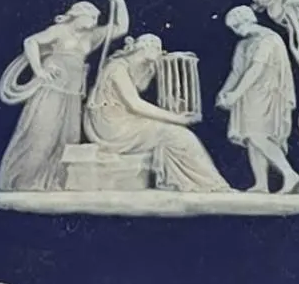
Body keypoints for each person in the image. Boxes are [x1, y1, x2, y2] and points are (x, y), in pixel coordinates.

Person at [0, 0, 129, 190]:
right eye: (91, 17)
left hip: (73, 92)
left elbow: (121, 27)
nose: (95, 22)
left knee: (68, 139)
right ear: (77, 15)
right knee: (43, 134)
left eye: (96, 19)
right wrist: (39, 69)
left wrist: (119, 1)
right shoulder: (59, 30)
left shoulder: (92, 36)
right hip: (53, 88)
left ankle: (51, 182)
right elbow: (31, 42)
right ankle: (23, 181)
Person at [85, 34, 230, 193]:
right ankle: (211, 184)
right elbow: (135, 104)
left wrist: (152, 69)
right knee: (178, 135)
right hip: (113, 126)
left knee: (176, 135)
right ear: (146, 47)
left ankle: (198, 182)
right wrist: (176, 119)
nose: (161, 53)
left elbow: (142, 87)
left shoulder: (136, 66)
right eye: (158, 49)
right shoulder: (116, 68)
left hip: (124, 119)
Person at [216, 6, 299, 193]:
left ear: (247, 20)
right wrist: (225, 92)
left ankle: (289, 173)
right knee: (250, 139)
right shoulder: (243, 44)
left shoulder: (269, 40)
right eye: (233, 28)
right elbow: (237, 72)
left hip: (266, 94)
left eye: (237, 26)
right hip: (248, 95)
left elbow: (256, 69)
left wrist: (235, 94)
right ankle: (261, 183)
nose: (236, 31)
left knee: (258, 135)